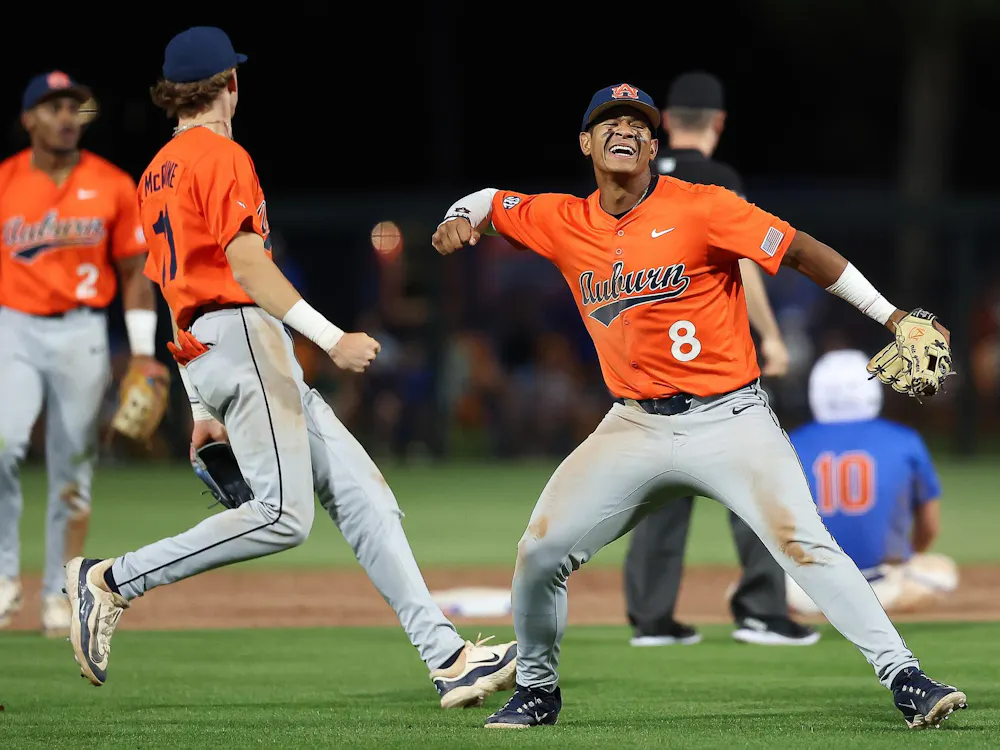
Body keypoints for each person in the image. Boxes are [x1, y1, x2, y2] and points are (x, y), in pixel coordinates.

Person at [432, 82, 966, 730]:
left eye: (637, 123)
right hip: (632, 424)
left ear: (654, 144)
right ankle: (539, 690)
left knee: (805, 544)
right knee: (540, 552)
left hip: (730, 417)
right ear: (585, 143)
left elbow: (798, 250)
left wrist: (889, 313)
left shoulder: (704, 206)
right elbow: (490, 201)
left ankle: (905, 677)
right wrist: (459, 215)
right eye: (608, 122)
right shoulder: (562, 219)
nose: (623, 130)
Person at [64, 27, 516, 710]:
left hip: (210, 346)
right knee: (282, 516)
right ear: (230, 83)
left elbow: (173, 293)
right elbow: (246, 266)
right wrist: (332, 339)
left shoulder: (154, 173)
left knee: (365, 497)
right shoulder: (222, 154)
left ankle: (449, 657)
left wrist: (201, 407)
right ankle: (112, 580)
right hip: (243, 337)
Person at [625, 70, 815, 648]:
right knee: (755, 478)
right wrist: (772, 337)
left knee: (660, 481)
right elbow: (747, 260)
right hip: (714, 364)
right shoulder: (715, 180)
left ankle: (652, 621)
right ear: (719, 122)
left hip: (645, 365)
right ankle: (760, 610)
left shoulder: (629, 179)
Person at [0, 71, 162, 638]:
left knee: (72, 471)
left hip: (82, 331)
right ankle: (3, 577)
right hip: (12, 327)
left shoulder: (112, 184)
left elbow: (134, 274)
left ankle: (56, 592)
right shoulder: (4, 181)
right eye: (51, 106)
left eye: (73, 106)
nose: (66, 115)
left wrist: (142, 355)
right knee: (2, 445)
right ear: (28, 119)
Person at [785, 349, 958, 615]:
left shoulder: (788, 443)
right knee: (943, 571)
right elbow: (930, 527)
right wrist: (903, 558)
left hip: (807, 589)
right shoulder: (904, 439)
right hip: (882, 587)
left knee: (755, 583)